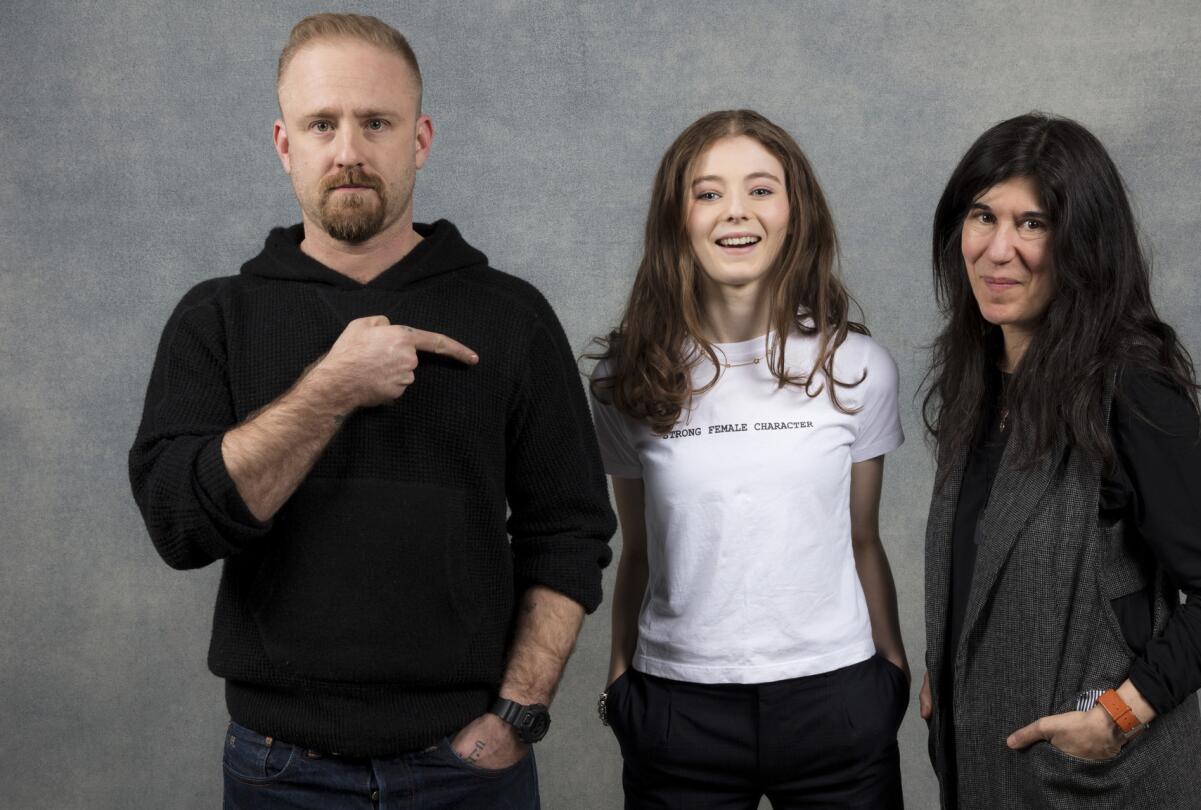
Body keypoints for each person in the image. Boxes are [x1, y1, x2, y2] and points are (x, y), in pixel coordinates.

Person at [128, 13, 614, 808]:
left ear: (418, 140)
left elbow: (569, 531)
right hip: (278, 769)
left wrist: (515, 715)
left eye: (375, 122)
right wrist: (333, 387)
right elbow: (180, 527)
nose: (348, 150)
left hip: (467, 767)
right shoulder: (216, 318)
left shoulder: (510, 315)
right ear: (285, 144)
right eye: (322, 123)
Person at [918, 112, 1201, 809]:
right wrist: (952, 664)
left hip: (1098, 787)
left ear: (1084, 245)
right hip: (986, 773)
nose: (998, 249)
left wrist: (1119, 716)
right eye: (983, 216)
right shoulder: (979, 380)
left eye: (1033, 223)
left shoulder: (1132, 388)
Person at [588, 109, 909, 809]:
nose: (736, 212)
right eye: (708, 193)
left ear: (796, 210)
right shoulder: (628, 378)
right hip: (678, 712)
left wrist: (891, 671)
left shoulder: (857, 367)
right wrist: (621, 680)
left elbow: (862, 538)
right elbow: (638, 547)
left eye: (761, 189)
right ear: (678, 217)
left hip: (837, 700)